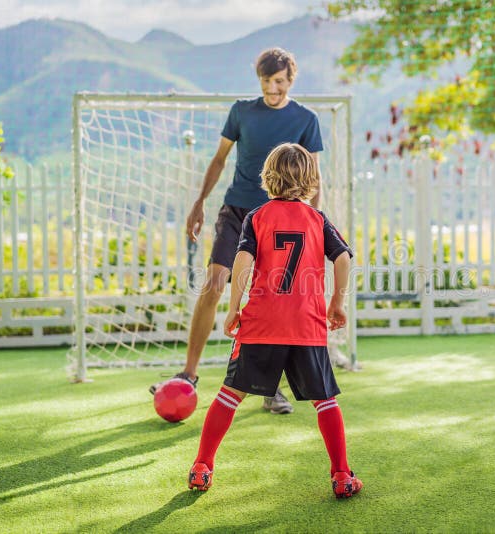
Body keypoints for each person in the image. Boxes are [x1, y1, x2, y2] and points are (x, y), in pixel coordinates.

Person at [150, 47, 324, 414]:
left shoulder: (306, 120)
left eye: (278, 82)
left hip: (280, 216)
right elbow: (219, 159)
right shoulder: (241, 111)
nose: (271, 88)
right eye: (265, 81)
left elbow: (314, 178)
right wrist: (199, 202)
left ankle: (269, 389)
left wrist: (314, 221)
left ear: (290, 80)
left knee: (273, 299)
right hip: (236, 212)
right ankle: (189, 373)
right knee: (214, 283)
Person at [188, 143, 362, 499]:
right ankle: (342, 475)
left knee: (229, 394)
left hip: (262, 324)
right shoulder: (318, 219)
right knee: (325, 401)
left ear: (267, 177)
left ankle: (202, 466)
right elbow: (342, 258)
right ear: (310, 180)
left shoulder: (257, 216)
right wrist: (337, 302)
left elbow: (242, 262)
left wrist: (234, 306)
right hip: (307, 325)